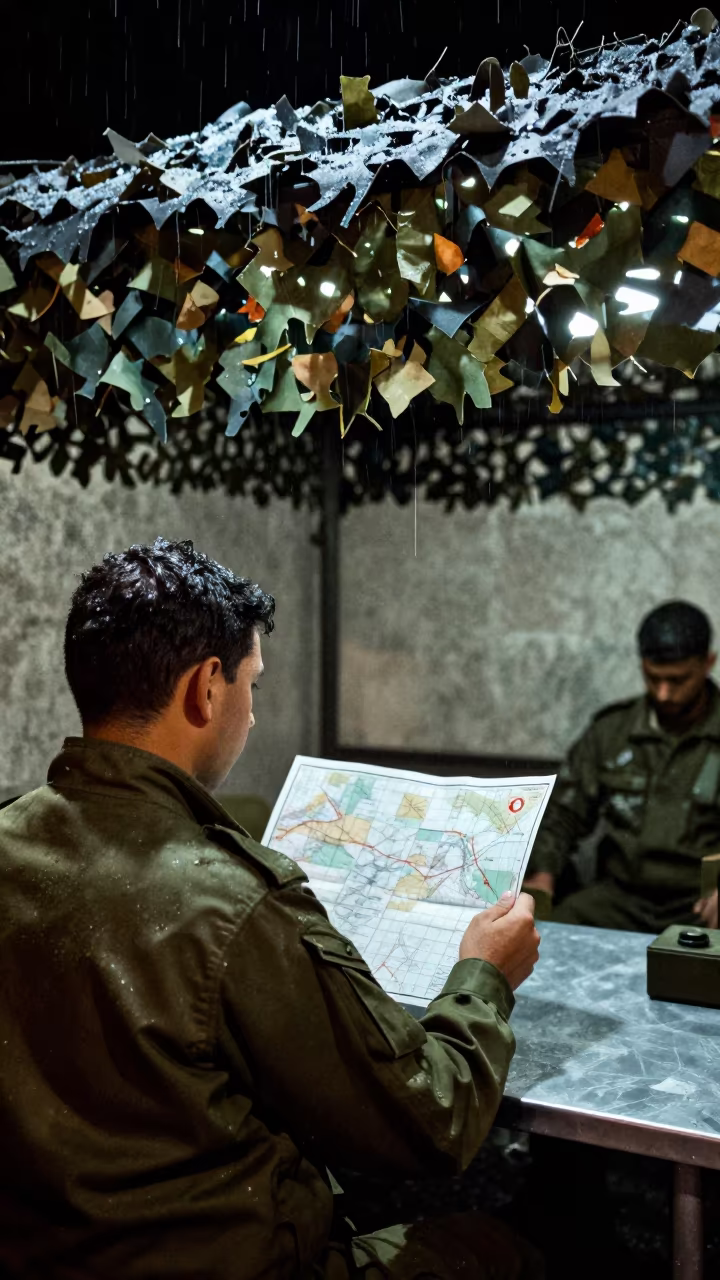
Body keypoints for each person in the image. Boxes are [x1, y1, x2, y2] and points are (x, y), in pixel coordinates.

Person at [0, 537, 542, 1280]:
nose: (251, 718)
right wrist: (484, 975)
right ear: (206, 688)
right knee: (496, 1250)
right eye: (252, 685)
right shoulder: (232, 900)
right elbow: (430, 1120)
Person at [524, 600, 720, 934]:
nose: (663, 693)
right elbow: (564, 815)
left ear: (708, 664)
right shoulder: (612, 732)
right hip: (620, 899)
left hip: (700, 904)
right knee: (543, 943)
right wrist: (543, 874)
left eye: (677, 680)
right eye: (652, 678)